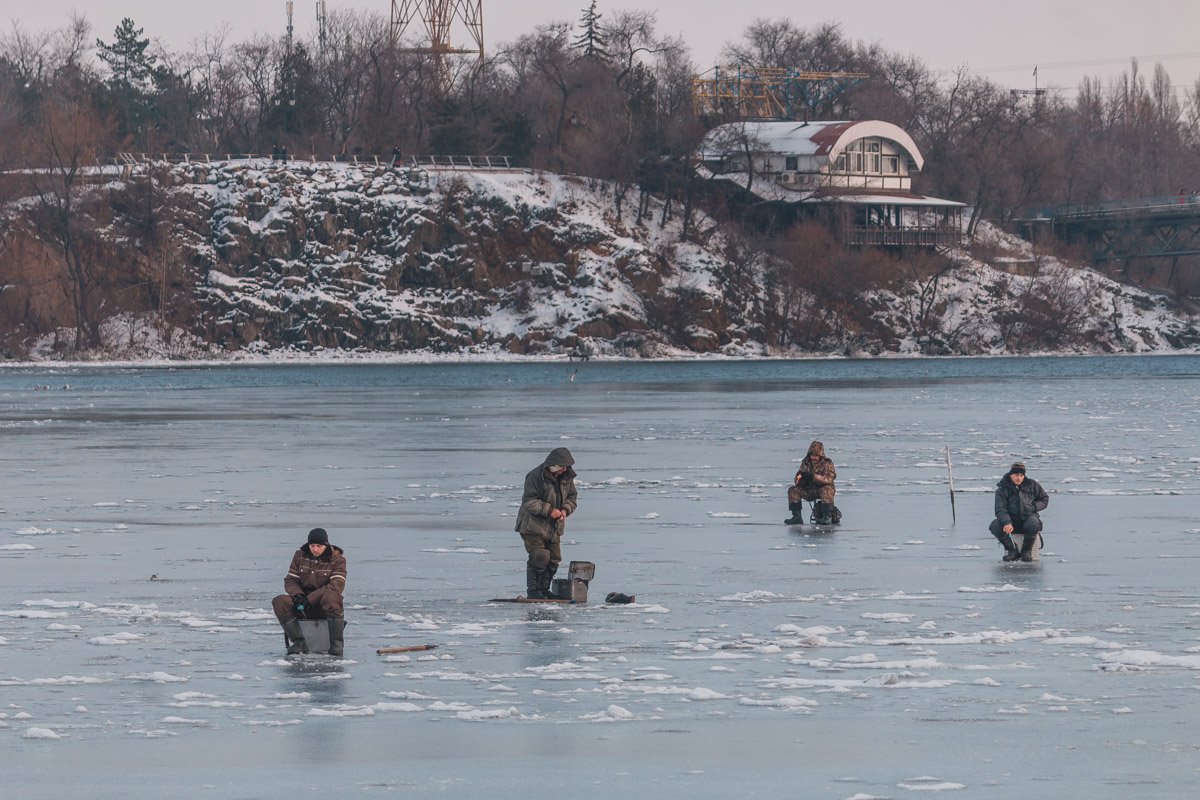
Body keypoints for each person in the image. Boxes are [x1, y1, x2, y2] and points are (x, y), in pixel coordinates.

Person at [271, 528, 347, 655]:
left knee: (332, 597)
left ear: (326, 545)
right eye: (312, 546)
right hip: (302, 605)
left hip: (324, 606)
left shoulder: (338, 560)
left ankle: (336, 645)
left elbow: (336, 586)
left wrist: (310, 599)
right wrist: (298, 595)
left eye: (319, 546)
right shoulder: (300, 556)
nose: (315, 549)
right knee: (280, 601)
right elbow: (290, 580)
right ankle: (299, 642)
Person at [515, 448, 578, 598]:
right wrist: (549, 510)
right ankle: (534, 591)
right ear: (553, 464)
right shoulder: (535, 476)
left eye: (565, 467)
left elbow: (572, 497)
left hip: (554, 526)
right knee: (540, 556)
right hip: (532, 525)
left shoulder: (567, 477)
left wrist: (565, 510)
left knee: (554, 558)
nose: (563, 470)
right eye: (561, 467)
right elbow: (529, 501)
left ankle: (544, 590)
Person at [989, 461, 1049, 562]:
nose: (1019, 478)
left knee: (1034, 523)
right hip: (1011, 522)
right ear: (1011, 475)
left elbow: (1044, 499)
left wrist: (1034, 507)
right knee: (994, 525)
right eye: (1016, 475)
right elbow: (1000, 509)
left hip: (1028, 519)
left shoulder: (1033, 485)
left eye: (1021, 475)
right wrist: (1006, 522)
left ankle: (1026, 551)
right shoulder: (1002, 489)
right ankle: (1012, 550)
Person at [786, 440, 839, 525]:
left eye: (816, 455)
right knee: (793, 490)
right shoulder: (805, 463)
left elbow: (829, 479)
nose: (813, 457)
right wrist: (801, 479)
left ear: (820, 455)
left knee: (827, 489)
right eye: (812, 455)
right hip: (809, 490)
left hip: (822, 490)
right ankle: (797, 517)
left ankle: (827, 517)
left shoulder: (827, 463)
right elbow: (797, 479)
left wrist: (814, 477)